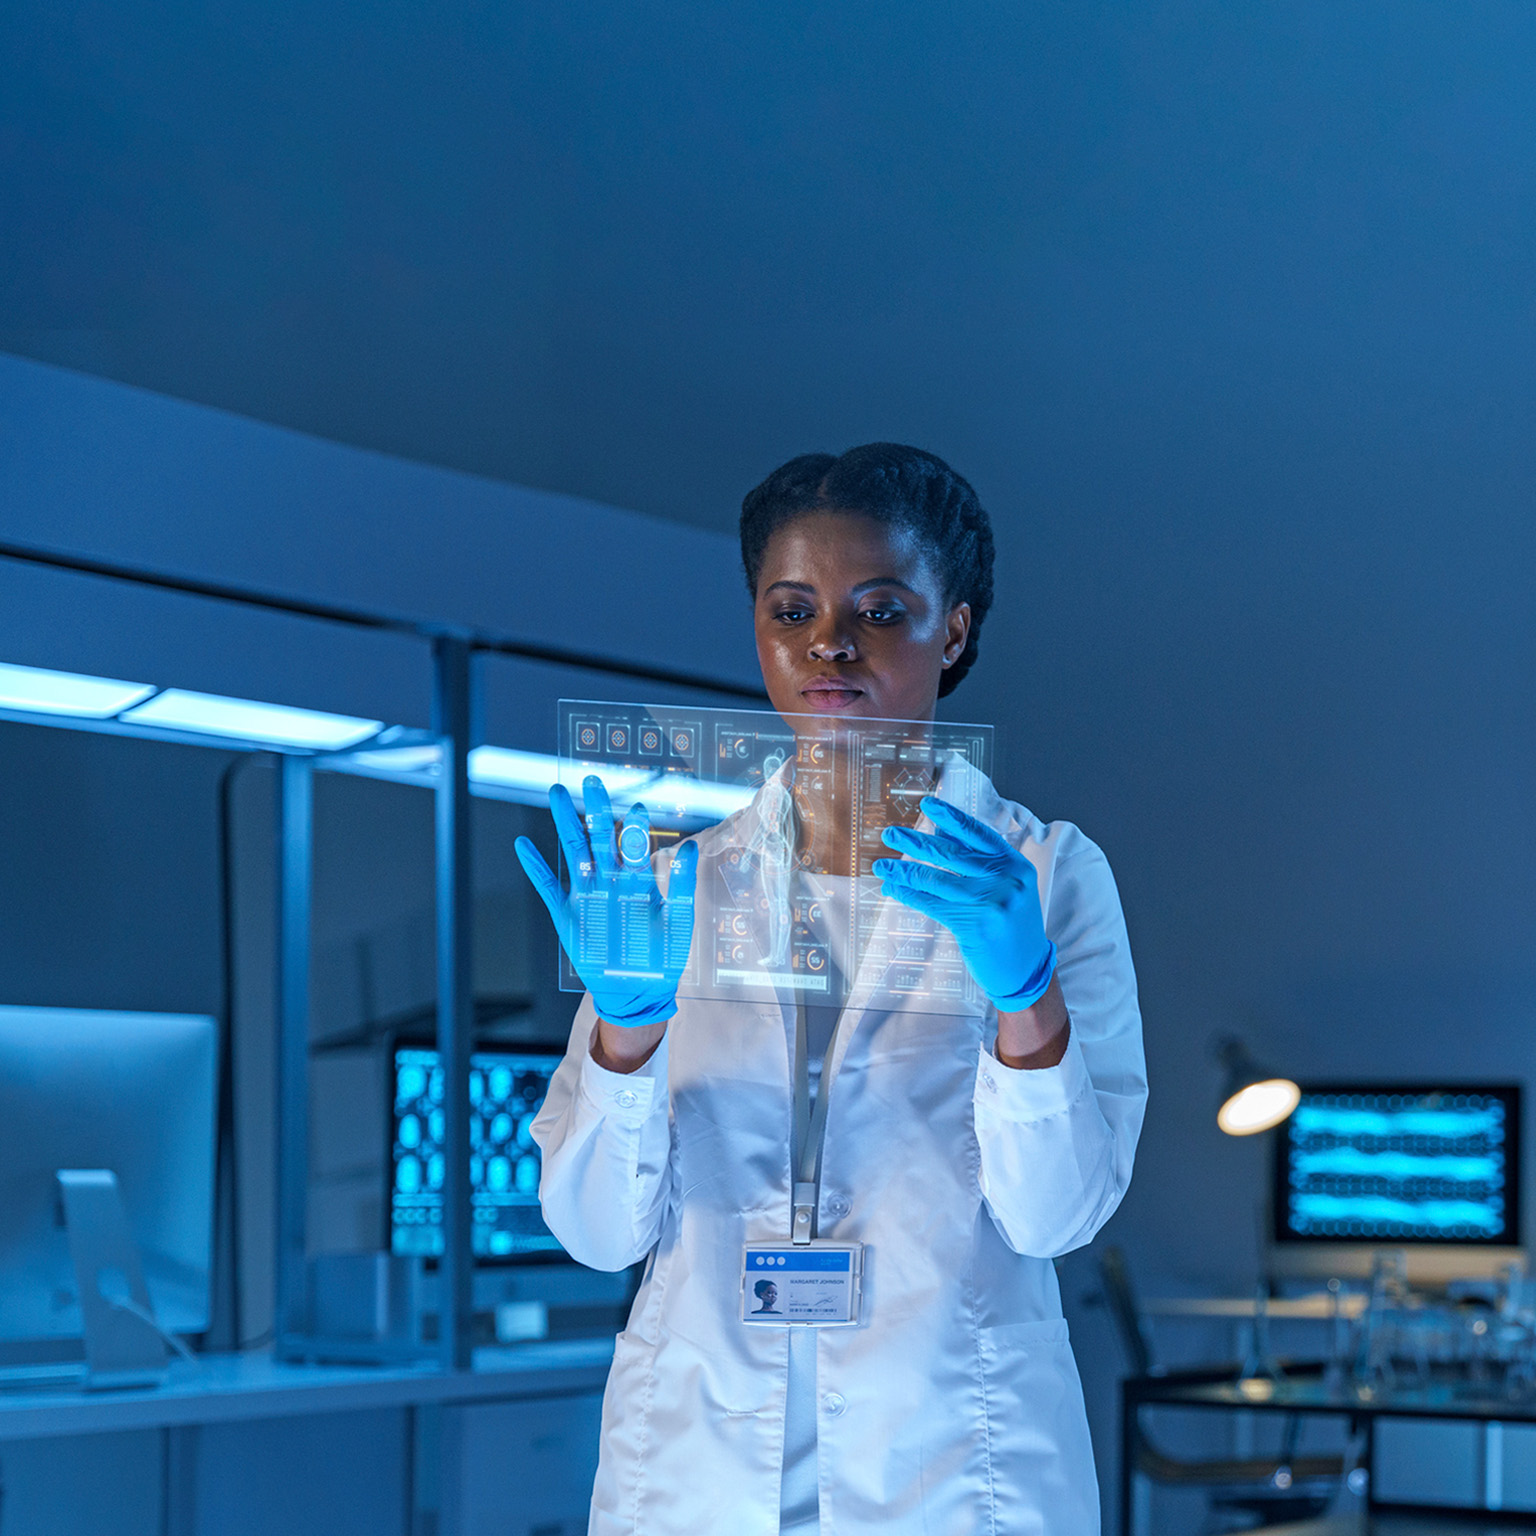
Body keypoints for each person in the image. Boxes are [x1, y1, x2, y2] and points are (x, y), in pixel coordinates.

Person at [520, 443, 1147, 1535]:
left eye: (882, 610)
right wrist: (625, 1037)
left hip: (956, 1470)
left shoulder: (1046, 877)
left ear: (953, 631)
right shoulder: (677, 891)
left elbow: (1058, 1215)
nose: (830, 646)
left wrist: (1026, 993)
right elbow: (595, 1234)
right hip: (696, 1471)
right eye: (792, 609)